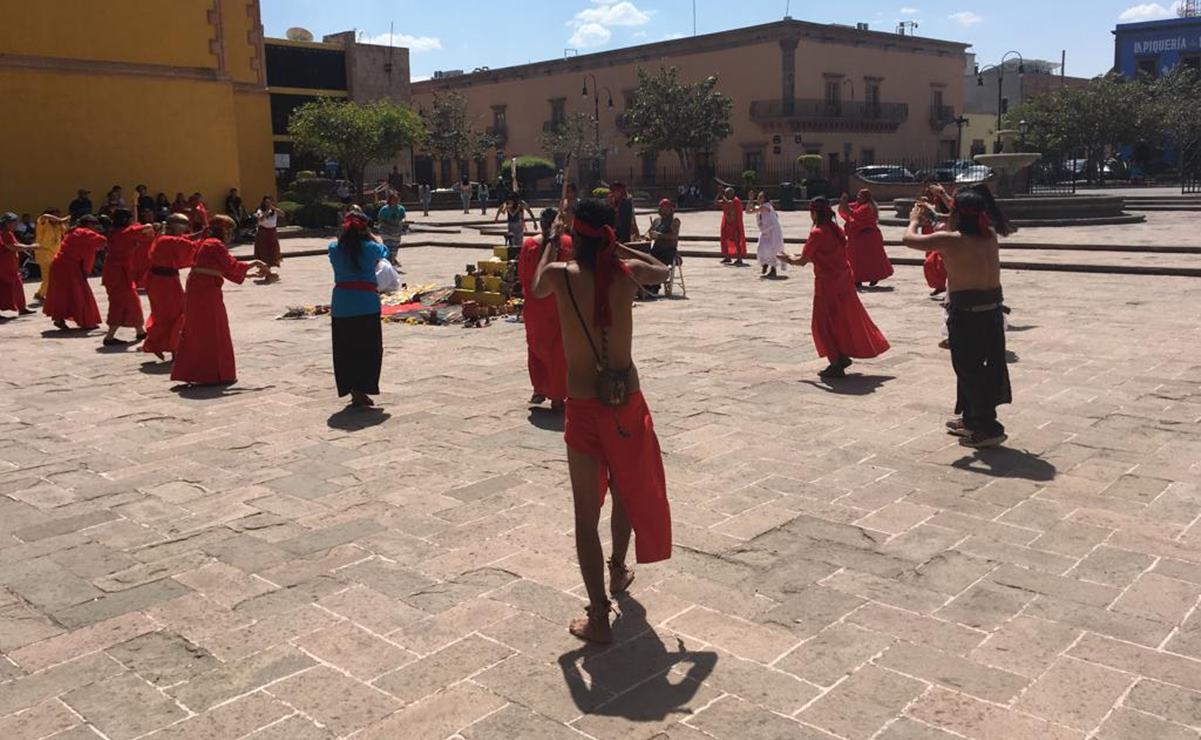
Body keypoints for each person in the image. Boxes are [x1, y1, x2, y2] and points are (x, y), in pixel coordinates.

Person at [530, 198, 672, 644]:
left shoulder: (560, 275)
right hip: (626, 399)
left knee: (584, 515)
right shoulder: (626, 275)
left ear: (576, 234)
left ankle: (599, 615)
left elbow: (535, 286)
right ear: (609, 234)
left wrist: (554, 238)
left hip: (585, 404)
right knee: (627, 491)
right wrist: (622, 250)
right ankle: (617, 570)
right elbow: (663, 270)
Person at [902, 185, 1015, 449]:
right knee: (979, 367)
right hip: (991, 311)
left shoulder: (951, 241)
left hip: (967, 315)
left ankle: (989, 427)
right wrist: (939, 204)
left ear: (958, 214)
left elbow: (909, 240)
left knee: (969, 370)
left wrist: (915, 221)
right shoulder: (988, 235)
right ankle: (971, 419)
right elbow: (961, 212)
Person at [779, 197, 890, 379]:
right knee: (842, 321)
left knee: (823, 325)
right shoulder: (835, 229)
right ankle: (841, 355)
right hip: (843, 282)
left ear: (814, 213)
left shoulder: (817, 233)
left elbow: (803, 260)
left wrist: (788, 258)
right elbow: (817, 254)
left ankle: (836, 361)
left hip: (827, 285)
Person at [171, 216, 265, 386]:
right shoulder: (214, 244)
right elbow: (231, 265)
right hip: (206, 291)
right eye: (229, 231)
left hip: (200, 287)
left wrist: (248, 274)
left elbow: (219, 267)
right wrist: (255, 263)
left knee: (198, 330)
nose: (230, 235)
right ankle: (213, 374)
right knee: (213, 330)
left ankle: (197, 372)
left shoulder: (206, 242)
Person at [328, 211, 389, 407]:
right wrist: (369, 236)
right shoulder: (371, 248)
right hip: (366, 304)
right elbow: (384, 250)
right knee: (369, 350)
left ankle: (351, 387)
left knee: (345, 350)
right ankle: (363, 387)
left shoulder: (334, 249)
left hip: (342, 304)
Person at [519, 208, 574, 410]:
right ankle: (543, 390)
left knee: (550, 351)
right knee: (542, 350)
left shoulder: (566, 244)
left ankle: (553, 393)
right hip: (548, 306)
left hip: (550, 306)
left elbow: (523, 276)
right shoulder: (533, 245)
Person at [142, 214, 199, 361]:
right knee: (176, 313)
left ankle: (159, 344)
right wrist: (206, 240)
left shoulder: (162, 238)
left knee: (164, 314)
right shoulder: (168, 240)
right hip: (165, 283)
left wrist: (200, 234)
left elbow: (184, 240)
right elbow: (190, 246)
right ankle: (173, 349)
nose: (185, 231)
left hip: (160, 281)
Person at [43, 214, 106, 330]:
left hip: (59, 265)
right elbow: (103, 241)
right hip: (70, 267)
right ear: (88, 224)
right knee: (80, 293)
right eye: (94, 225)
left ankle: (59, 318)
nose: (95, 227)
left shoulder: (74, 231)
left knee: (62, 293)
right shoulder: (85, 232)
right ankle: (85, 322)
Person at [100, 209, 152, 346]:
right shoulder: (126, 232)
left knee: (132, 302)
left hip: (116, 272)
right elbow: (146, 228)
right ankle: (109, 337)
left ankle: (140, 330)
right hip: (119, 274)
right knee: (119, 303)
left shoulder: (115, 232)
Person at [839, 189, 893, 289]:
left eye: (860, 196)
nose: (858, 197)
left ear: (865, 198)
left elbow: (854, 214)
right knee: (856, 259)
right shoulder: (858, 204)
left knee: (868, 259)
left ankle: (869, 277)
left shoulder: (867, 207)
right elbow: (845, 210)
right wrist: (843, 202)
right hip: (859, 237)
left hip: (868, 237)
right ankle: (856, 279)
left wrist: (844, 203)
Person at [920, 183, 954, 296]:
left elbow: (942, 214)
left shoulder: (956, 215)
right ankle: (940, 286)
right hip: (940, 244)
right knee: (930, 263)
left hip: (952, 246)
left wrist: (941, 194)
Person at [643, 199, 680, 294]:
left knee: (656, 264)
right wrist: (648, 236)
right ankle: (643, 285)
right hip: (656, 250)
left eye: (666, 208)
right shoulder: (656, 220)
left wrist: (659, 236)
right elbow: (648, 232)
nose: (664, 210)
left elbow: (674, 236)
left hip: (668, 250)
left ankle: (654, 286)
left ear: (671, 209)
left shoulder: (674, 221)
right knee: (644, 259)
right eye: (662, 208)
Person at [0, 213, 34, 316]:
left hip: (10, 265)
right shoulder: (4, 234)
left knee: (17, 285)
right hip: (3, 265)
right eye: (14, 223)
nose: (16, 225)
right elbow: (13, 246)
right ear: (7, 223)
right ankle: (21, 308)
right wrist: (31, 247)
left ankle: (22, 308)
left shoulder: (8, 233)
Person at [33, 208, 70, 301]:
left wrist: (64, 223)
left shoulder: (58, 225)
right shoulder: (43, 222)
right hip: (44, 252)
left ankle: (42, 293)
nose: (57, 217)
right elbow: (45, 216)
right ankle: (41, 294)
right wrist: (61, 220)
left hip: (55, 252)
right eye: (55, 215)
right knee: (48, 277)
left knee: (56, 275)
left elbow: (66, 233)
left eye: (58, 215)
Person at [753, 192, 787, 278]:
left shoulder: (767, 206)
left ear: (765, 199)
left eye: (760, 197)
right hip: (764, 231)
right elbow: (748, 211)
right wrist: (750, 200)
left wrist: (750, 201)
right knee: (761, 247)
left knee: (773, 249)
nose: (758, 199)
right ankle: (765, 264)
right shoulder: (762, 207)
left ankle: (773, 269)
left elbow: (753, 210)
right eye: (758, 197)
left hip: (773, 231)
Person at [253, 196, 282, 283]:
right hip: (263, 233)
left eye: (270, 202)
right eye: (266, 202)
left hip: (272, 233)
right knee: (263, 252)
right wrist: (266, 211)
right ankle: (266, 272)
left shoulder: (274, 211)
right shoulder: (260, 211)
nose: (268, 204)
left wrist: (274, 209)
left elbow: (283, 214)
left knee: (273, 251)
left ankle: (267, 271)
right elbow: (261, 219)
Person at [715, 187, 747, 265]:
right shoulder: (725, 200)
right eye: (726, 193)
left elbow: (730, 204)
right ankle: (727, 257)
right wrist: (718, 194)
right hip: (727, 223)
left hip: (735, 224)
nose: (727, 195)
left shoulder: (736, 201)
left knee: (736, 240)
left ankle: (739, 258)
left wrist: (722, 195)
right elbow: (716, 202)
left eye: (728, 193)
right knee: (725, 240)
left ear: (732, 193)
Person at [375, 192, 407, 266]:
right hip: (385, 230)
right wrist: (389, 225)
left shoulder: (401, 208)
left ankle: (392, 258)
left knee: (395, 246)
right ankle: (388, 260)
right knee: (388, 245)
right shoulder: (385, 209)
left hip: (396, 230)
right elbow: (380, 220)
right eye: (394, 199)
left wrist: (402, 222)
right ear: (390, 200)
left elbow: (403, 217)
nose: (396, 201)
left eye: (397, 199)